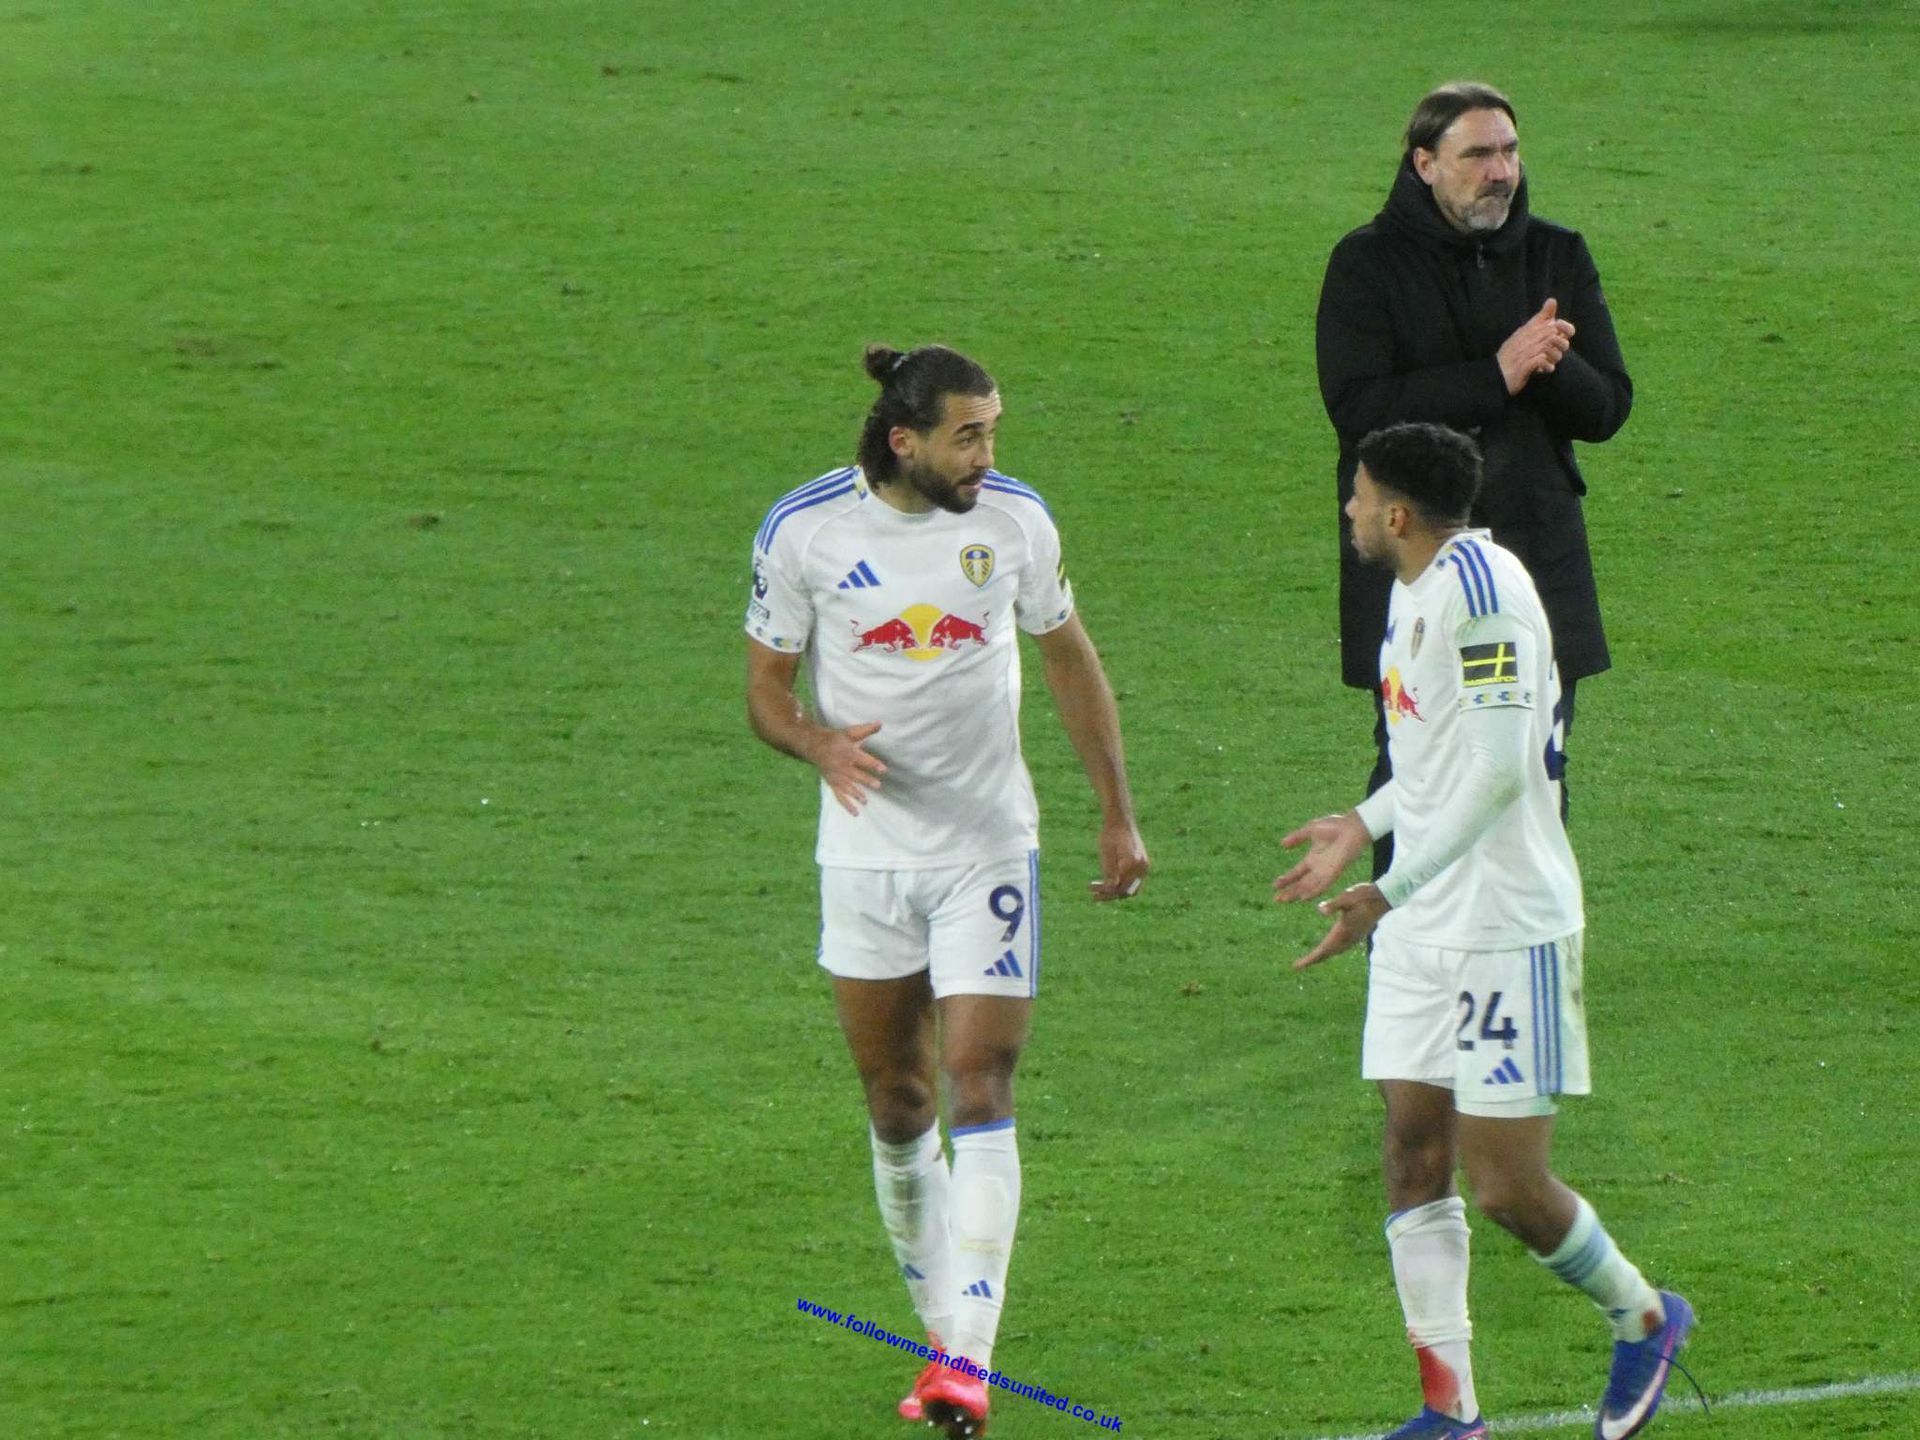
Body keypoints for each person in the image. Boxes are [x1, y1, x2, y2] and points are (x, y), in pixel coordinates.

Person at [745, 343, 1150, 1437]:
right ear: (904, 440)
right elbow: (766, 691)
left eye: (993, 432)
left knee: (980, 1084)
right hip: (866, 856)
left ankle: (968, 1361)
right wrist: (818, 746)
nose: (987, 456)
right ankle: (941, 1345)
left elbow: (1068, 655)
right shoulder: (806, 531)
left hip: (987, 846)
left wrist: (1116, 809)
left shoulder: (1014, 521)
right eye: (968, 436)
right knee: (898, 1103)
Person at [1273, 423, 1693, 1440]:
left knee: (1506, 1187)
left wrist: (1389, 887)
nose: (1348, 510)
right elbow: (1434, 756)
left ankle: (1643, 1316)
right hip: (1422, 921)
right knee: (1412, 1152)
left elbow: (1504, 769)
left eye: (1358, 495)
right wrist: (1362, 822)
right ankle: (1449, 1411)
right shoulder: (1410, 587)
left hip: (1506, 925)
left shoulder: (1485, 591)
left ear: (1399, 514)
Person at [1316, 81, 1633, 873]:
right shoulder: (1365, 264)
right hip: (1413, 561)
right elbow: (1358, 409)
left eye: (1510, 152)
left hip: (1535, 555)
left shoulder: (1557, 254)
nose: (1501, 172)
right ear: (1424, 163)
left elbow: (1608, 409)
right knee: (1414, 763)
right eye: (1479, 155)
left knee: (1534, 767)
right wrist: (1495, 375)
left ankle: (1526, 930)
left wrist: (1551, 363)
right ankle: (1399, 930)